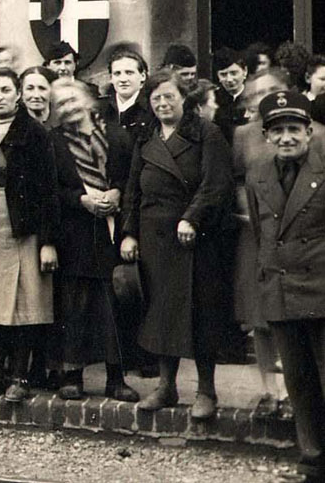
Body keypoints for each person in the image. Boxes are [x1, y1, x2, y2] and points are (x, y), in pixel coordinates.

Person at [120, 69, 233, 419]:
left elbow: (216, 184)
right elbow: (132, 191)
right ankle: (166, 388)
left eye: (169, 96)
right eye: (156, 99)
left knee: (200, 313)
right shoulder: (146, 137)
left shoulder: (207, 134)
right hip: (155, 240)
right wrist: (129, 232)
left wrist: (192, 217)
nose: (163, 103)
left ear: (183, 97)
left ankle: (206, 392)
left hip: (195, 239)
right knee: (161, 314)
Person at [0, 67, 60, 404]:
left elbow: (49, 189)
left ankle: (20, 376)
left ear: (18, 94)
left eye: (6, 90)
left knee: (23, 302)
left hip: (23, 225)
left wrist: (47, 241)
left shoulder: (34, 133)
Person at [244, 90, 325, 483]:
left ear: (309, 132)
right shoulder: (257, 175)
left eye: (295, 129)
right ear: (267, 135)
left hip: (322, 290)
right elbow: (263, 235)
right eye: (278, 131)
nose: (287, 137)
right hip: (280, 291)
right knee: (299, 382)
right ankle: (312, 460)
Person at [47, 79, 140, 402]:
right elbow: (50, 190)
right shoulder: (53, 142)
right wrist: (80, 200)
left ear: (88, 101)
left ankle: (116, 378)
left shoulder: (116, 135)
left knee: (110, 307)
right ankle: (73, 375)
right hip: (74, 234)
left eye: (73, 100)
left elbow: (132, 179)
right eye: (60, 104)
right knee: (74, 306)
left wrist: (116, 192)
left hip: (110, 233)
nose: (68, 107)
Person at [100, 43, 155, 146]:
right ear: (111, 78)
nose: (123, 79)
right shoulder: (100, 109)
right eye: (117, 74)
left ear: (142, 76)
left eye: (129, 73)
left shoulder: (152, 108)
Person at [213, 48, 249, 140]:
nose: (229, 79)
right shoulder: (212, 99)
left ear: (245, 71)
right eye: (223, 74)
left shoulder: (253, 97)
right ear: (218, 76)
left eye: (234, 73)